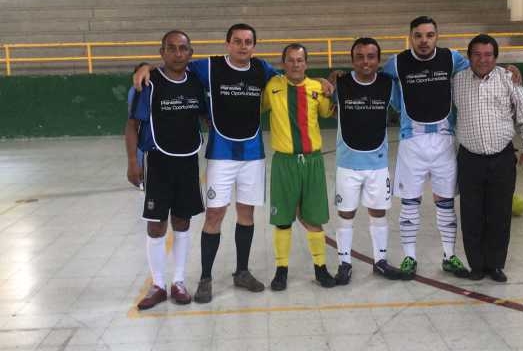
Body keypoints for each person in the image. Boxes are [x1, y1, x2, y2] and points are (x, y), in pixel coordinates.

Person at [134, 24, 279, 302]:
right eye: (237, 41)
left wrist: (323, 81)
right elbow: (175, 63)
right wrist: (144, 66)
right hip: (220, 154)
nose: (243, 46)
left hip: (253, 154)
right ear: (227, 44)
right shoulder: (209, 67)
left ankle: (242, 272)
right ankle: (205, 278)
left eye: (248, 42)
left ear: (254, 46)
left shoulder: (262, 69)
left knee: (247, 215)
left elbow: (291, 77)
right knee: (214, 215)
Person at [382, 16, 472, 280]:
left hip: (444, 140)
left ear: (437, 36)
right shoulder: (397, 62)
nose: (424, 40)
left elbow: (478, 68)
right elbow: (372, 77)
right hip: (412, 141)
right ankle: (410, 257)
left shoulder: (451, 58)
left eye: (429, 35)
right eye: (418, 35)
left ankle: (449, 255)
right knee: (410, 202)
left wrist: (508, 69)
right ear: (410, 36)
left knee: (445, 201)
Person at [125, 30, 206, 310]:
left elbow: (206, 116)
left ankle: (179, 281)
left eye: (183, 48)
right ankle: (158, 284)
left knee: (182, 222)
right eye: (171, 48)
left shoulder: (195, 82)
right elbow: (132, 125)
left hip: (187, 160)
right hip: (157, 161)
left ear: (190, 53)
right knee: (157, 224)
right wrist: (133, 162)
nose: (177, 53)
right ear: (162, 53)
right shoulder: (149, 83)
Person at [453, 34, 523, 282]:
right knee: (471, 214)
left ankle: (496, 265)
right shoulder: (456, 81)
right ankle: (477, 266)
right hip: (469, 160)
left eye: (488, 54)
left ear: (496, 57)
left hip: (502, 158)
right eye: (477, 54)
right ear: (469, 57)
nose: (483, 59)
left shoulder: (508, 79)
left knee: (499, 214)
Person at [261, 43, 336, 291]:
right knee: (282, 219)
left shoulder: (317, 88)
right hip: (284, 162)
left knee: (314, 217)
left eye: (300, 60)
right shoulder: (272, 86)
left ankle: (321, 268)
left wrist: (328, 86)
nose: (295, 64)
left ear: (306, 63)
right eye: (291, 60)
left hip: (312, 161)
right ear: (283, 64)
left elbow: (327, 113)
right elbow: (255, 107)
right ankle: (281, 270)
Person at [330, 37, 403, 285]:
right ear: (352, 60)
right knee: (345, 213)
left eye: (371, 56)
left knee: (378, 212)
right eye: (360, 57)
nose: (365, 61)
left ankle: (380, 262)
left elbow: (407, 101)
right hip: (347, 163)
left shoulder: (387, 84)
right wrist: (328, 81)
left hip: (378, 163)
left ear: (378, 60)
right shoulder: (339, 83)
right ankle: (344, 263)